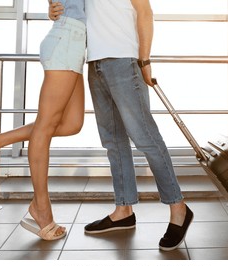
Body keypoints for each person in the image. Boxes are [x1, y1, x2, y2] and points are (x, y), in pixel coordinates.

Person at [0, 0, 86, 241]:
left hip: (74, 40)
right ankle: (41, 208)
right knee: (45, 127)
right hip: (67, 38)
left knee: (72, 123)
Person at [66, 0, 193, 251]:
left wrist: (145, 60)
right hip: (96, 63)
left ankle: (178, 208)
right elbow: (75, 11)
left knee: (145, 137)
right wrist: (53, 11)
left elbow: (145, 12)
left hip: (124, 61)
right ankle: (123, 210)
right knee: (113, 141)